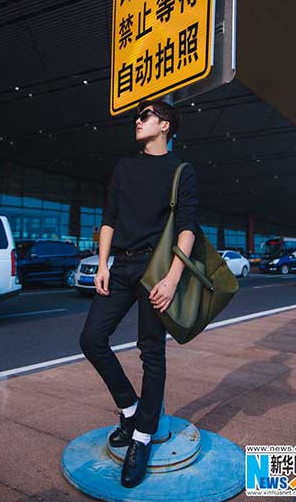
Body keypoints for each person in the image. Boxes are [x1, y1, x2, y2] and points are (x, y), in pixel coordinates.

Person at [79, 98, 198, 488]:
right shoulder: (125, 167)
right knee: (92, 339)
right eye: (138, 116)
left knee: (152, 351)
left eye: (145, 116)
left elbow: (187, 227)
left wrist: (173, 278)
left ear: (165, 125)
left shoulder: (181, 170)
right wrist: (102, 264)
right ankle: (130, 410)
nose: (138, 120)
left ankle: (142, 439)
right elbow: (109, 218)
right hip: (122, 265)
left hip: (157, 269)